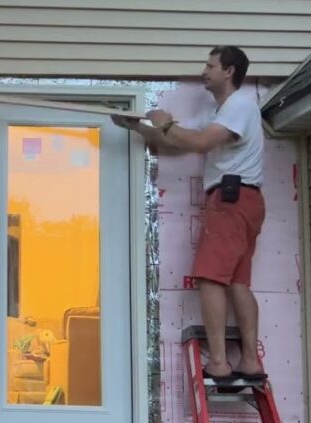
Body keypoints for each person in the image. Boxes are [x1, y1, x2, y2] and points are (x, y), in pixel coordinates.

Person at [112, 46, 266, 382]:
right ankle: (251, 362)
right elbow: (178, 143)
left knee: (211, 278)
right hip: (245, 200)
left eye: (210, 65)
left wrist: (165, 123)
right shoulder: (225, 111)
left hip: (231, 200)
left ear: (229, 71)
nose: (204, 71)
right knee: (238, 282)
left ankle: (221, 364)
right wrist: (139, 127)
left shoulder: (239, 105)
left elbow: (198, 143)